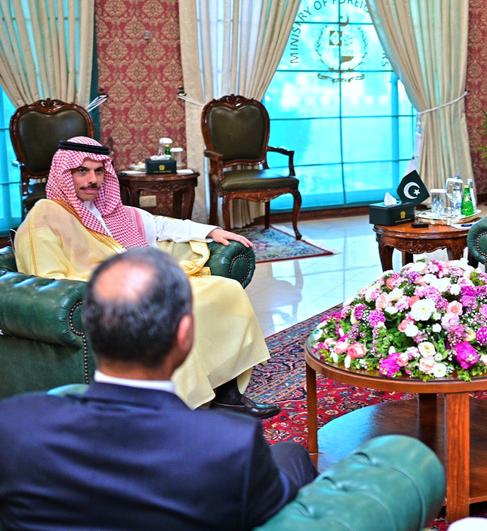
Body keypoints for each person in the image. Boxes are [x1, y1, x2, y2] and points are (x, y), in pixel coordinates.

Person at [0, 248, 318, 530]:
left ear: (92, 330)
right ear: (185, 337)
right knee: (292, 454)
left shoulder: (14, 423)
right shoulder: (231, 443)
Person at [14, 136, 279, 418]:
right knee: (178, 309)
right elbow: (48, 278)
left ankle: (227, 394)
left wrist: (211, 231)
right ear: (64, 174)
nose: (93, 179)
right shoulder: (47, 214)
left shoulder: (107, 209)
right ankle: (174, 409)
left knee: (225, 290)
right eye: (82, 171)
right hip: (105, 298)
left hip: (142, 284)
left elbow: (159, 225)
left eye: (98, 171)